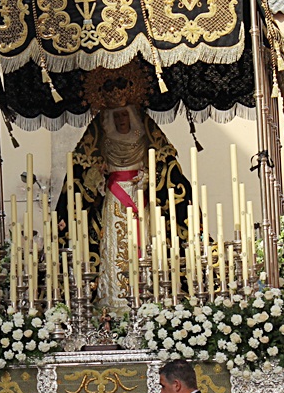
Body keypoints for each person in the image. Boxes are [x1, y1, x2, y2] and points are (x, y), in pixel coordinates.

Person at [56, 63, 193, 314]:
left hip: (141, 197)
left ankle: (148, 296)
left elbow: (165, 165)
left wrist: (148, 178)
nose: (121, 120)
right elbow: (82, 170)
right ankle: (114, 299)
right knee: (115, 244)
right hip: (114, 198)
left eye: (124, 115)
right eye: (116, 116)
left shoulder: (146, 134)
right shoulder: (100, 135)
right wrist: (98, 175)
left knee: (144, 244)